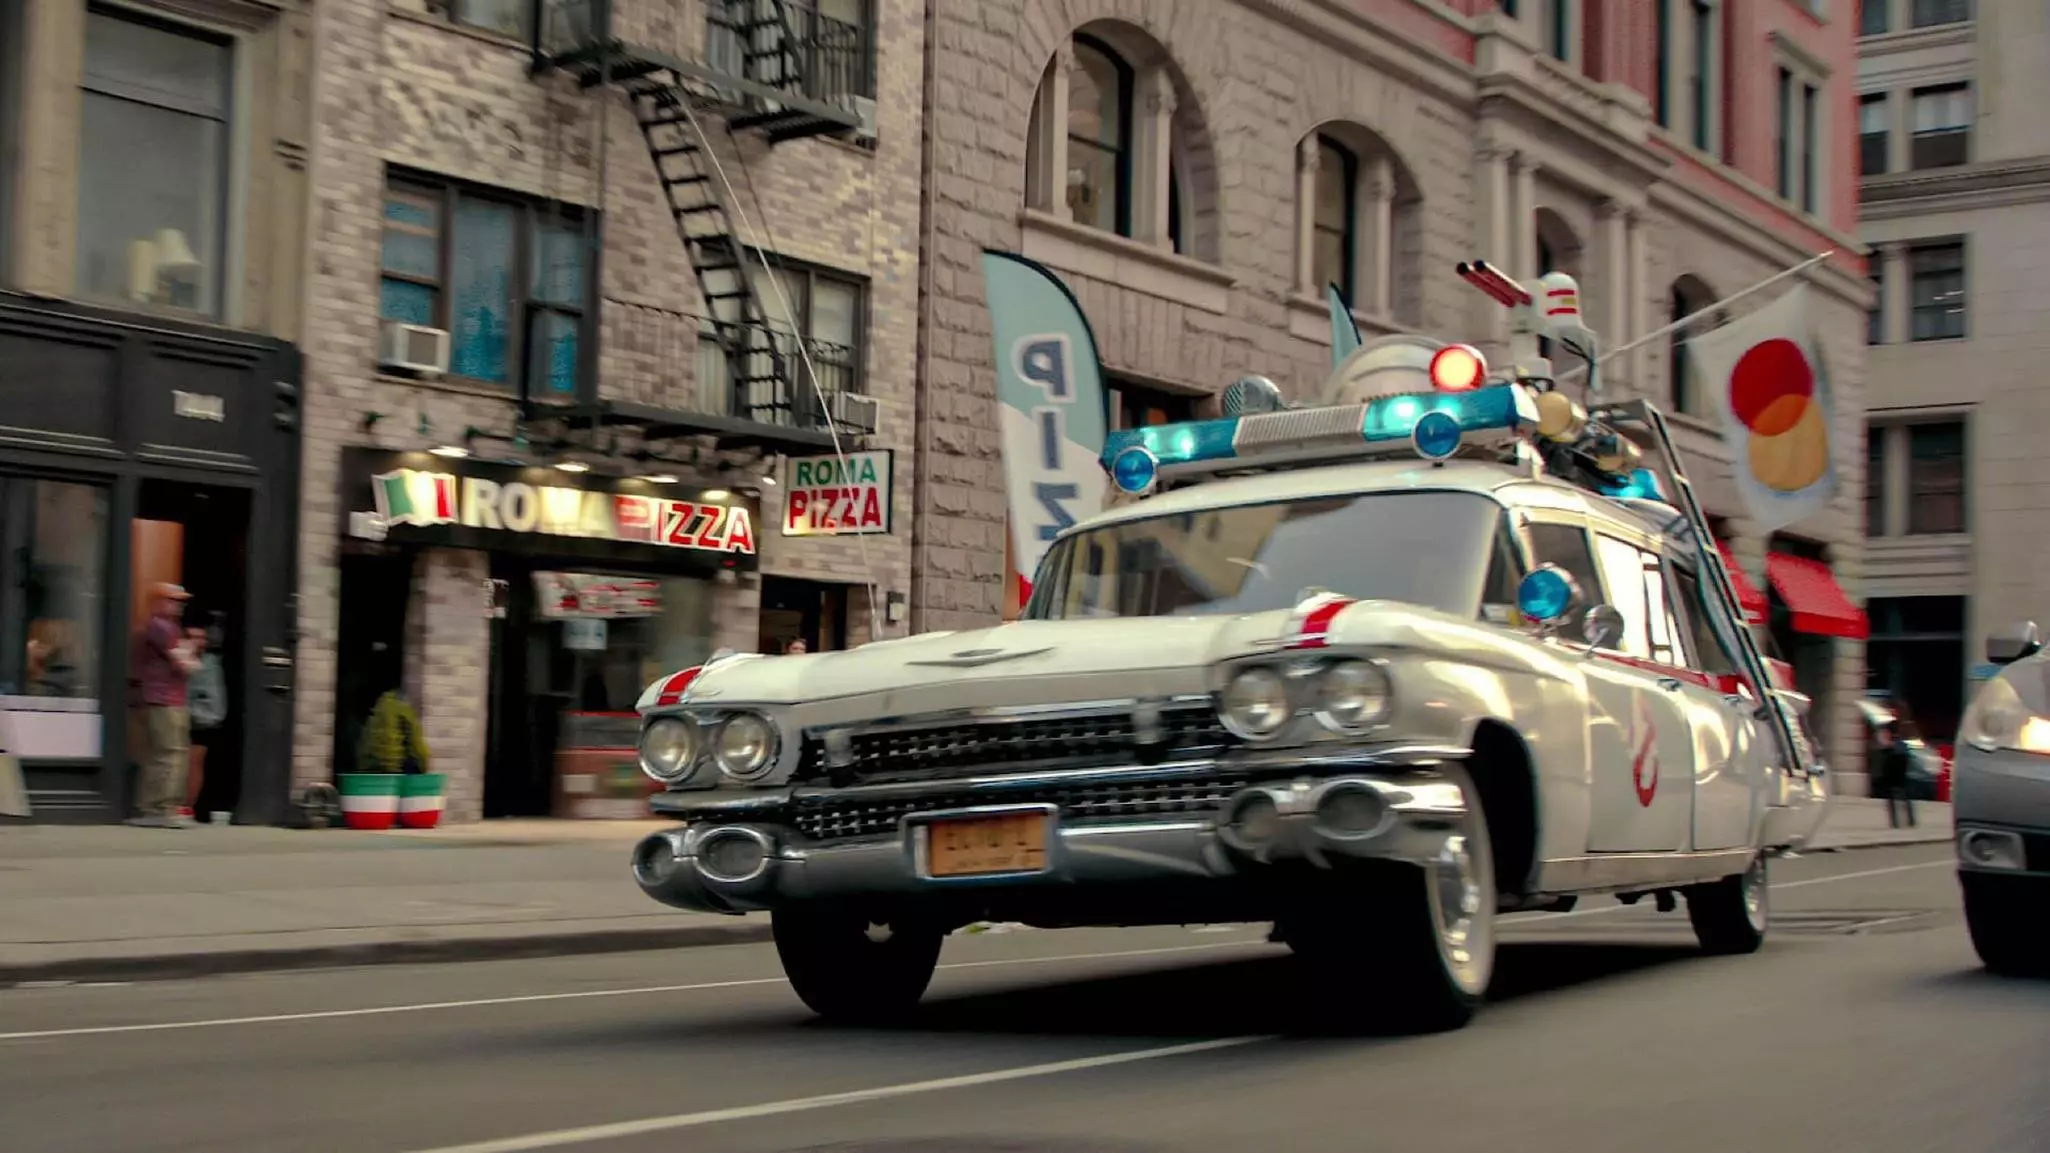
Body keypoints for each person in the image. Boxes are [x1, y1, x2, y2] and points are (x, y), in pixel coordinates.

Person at [128, 583, 204, 828]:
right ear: (158, 602)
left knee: (161, 754)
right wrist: (191, 651)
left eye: (180, 601)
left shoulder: (164, 627)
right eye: (172, 600)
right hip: (164, 699)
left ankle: (154, 808)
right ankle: (161, 809)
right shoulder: (161, 627)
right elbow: (187, 665)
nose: (178, 606)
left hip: (164, 699)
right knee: (170, 754)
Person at [1873, 722, 1917, 829]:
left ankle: (1896, 822)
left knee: (1894, 799)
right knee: (1904, 797)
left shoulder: (1892, 746)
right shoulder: (1901, 744)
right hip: (1900, 775)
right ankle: (1909, 821)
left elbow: (1887, 760)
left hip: (1893, 776)